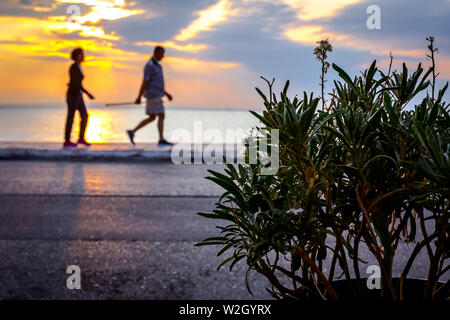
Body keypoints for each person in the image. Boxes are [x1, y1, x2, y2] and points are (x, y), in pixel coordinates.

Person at [126, 46, 173, 146]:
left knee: (152, 117)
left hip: (157, 94)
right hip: (152, 95)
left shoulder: (158, 66)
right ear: (156, 53)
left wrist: (166, 93)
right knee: (161, 115)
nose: (163, 56)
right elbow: (145, 81)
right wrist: (139, 97)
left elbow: (158, 83)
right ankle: (161, 139)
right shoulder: (150, 65)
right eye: (162, 54)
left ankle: (132, 132)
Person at [64, 47, 94, 147]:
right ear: (76, 55)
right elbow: (76, 83)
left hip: (78, 95)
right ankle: (67, 140)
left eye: (82, 54)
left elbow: (78, 83)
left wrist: (84, 93)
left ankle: (81, 138)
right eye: (81, 54)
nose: (82, 56)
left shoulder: (79, 66)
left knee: (85, 115)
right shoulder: (73, 67)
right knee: (71, 117)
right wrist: (88, 93)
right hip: (73, 95)